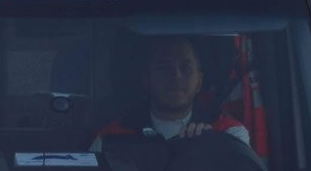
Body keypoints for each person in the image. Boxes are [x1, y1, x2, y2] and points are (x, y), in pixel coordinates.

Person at [94, 35, 252, 149]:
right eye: (164, 68)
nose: (176, 76)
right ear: (146, 80)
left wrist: (212, 144)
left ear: (199, 81)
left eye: (186, 68)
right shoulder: (112, 138)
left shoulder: (229, 133)